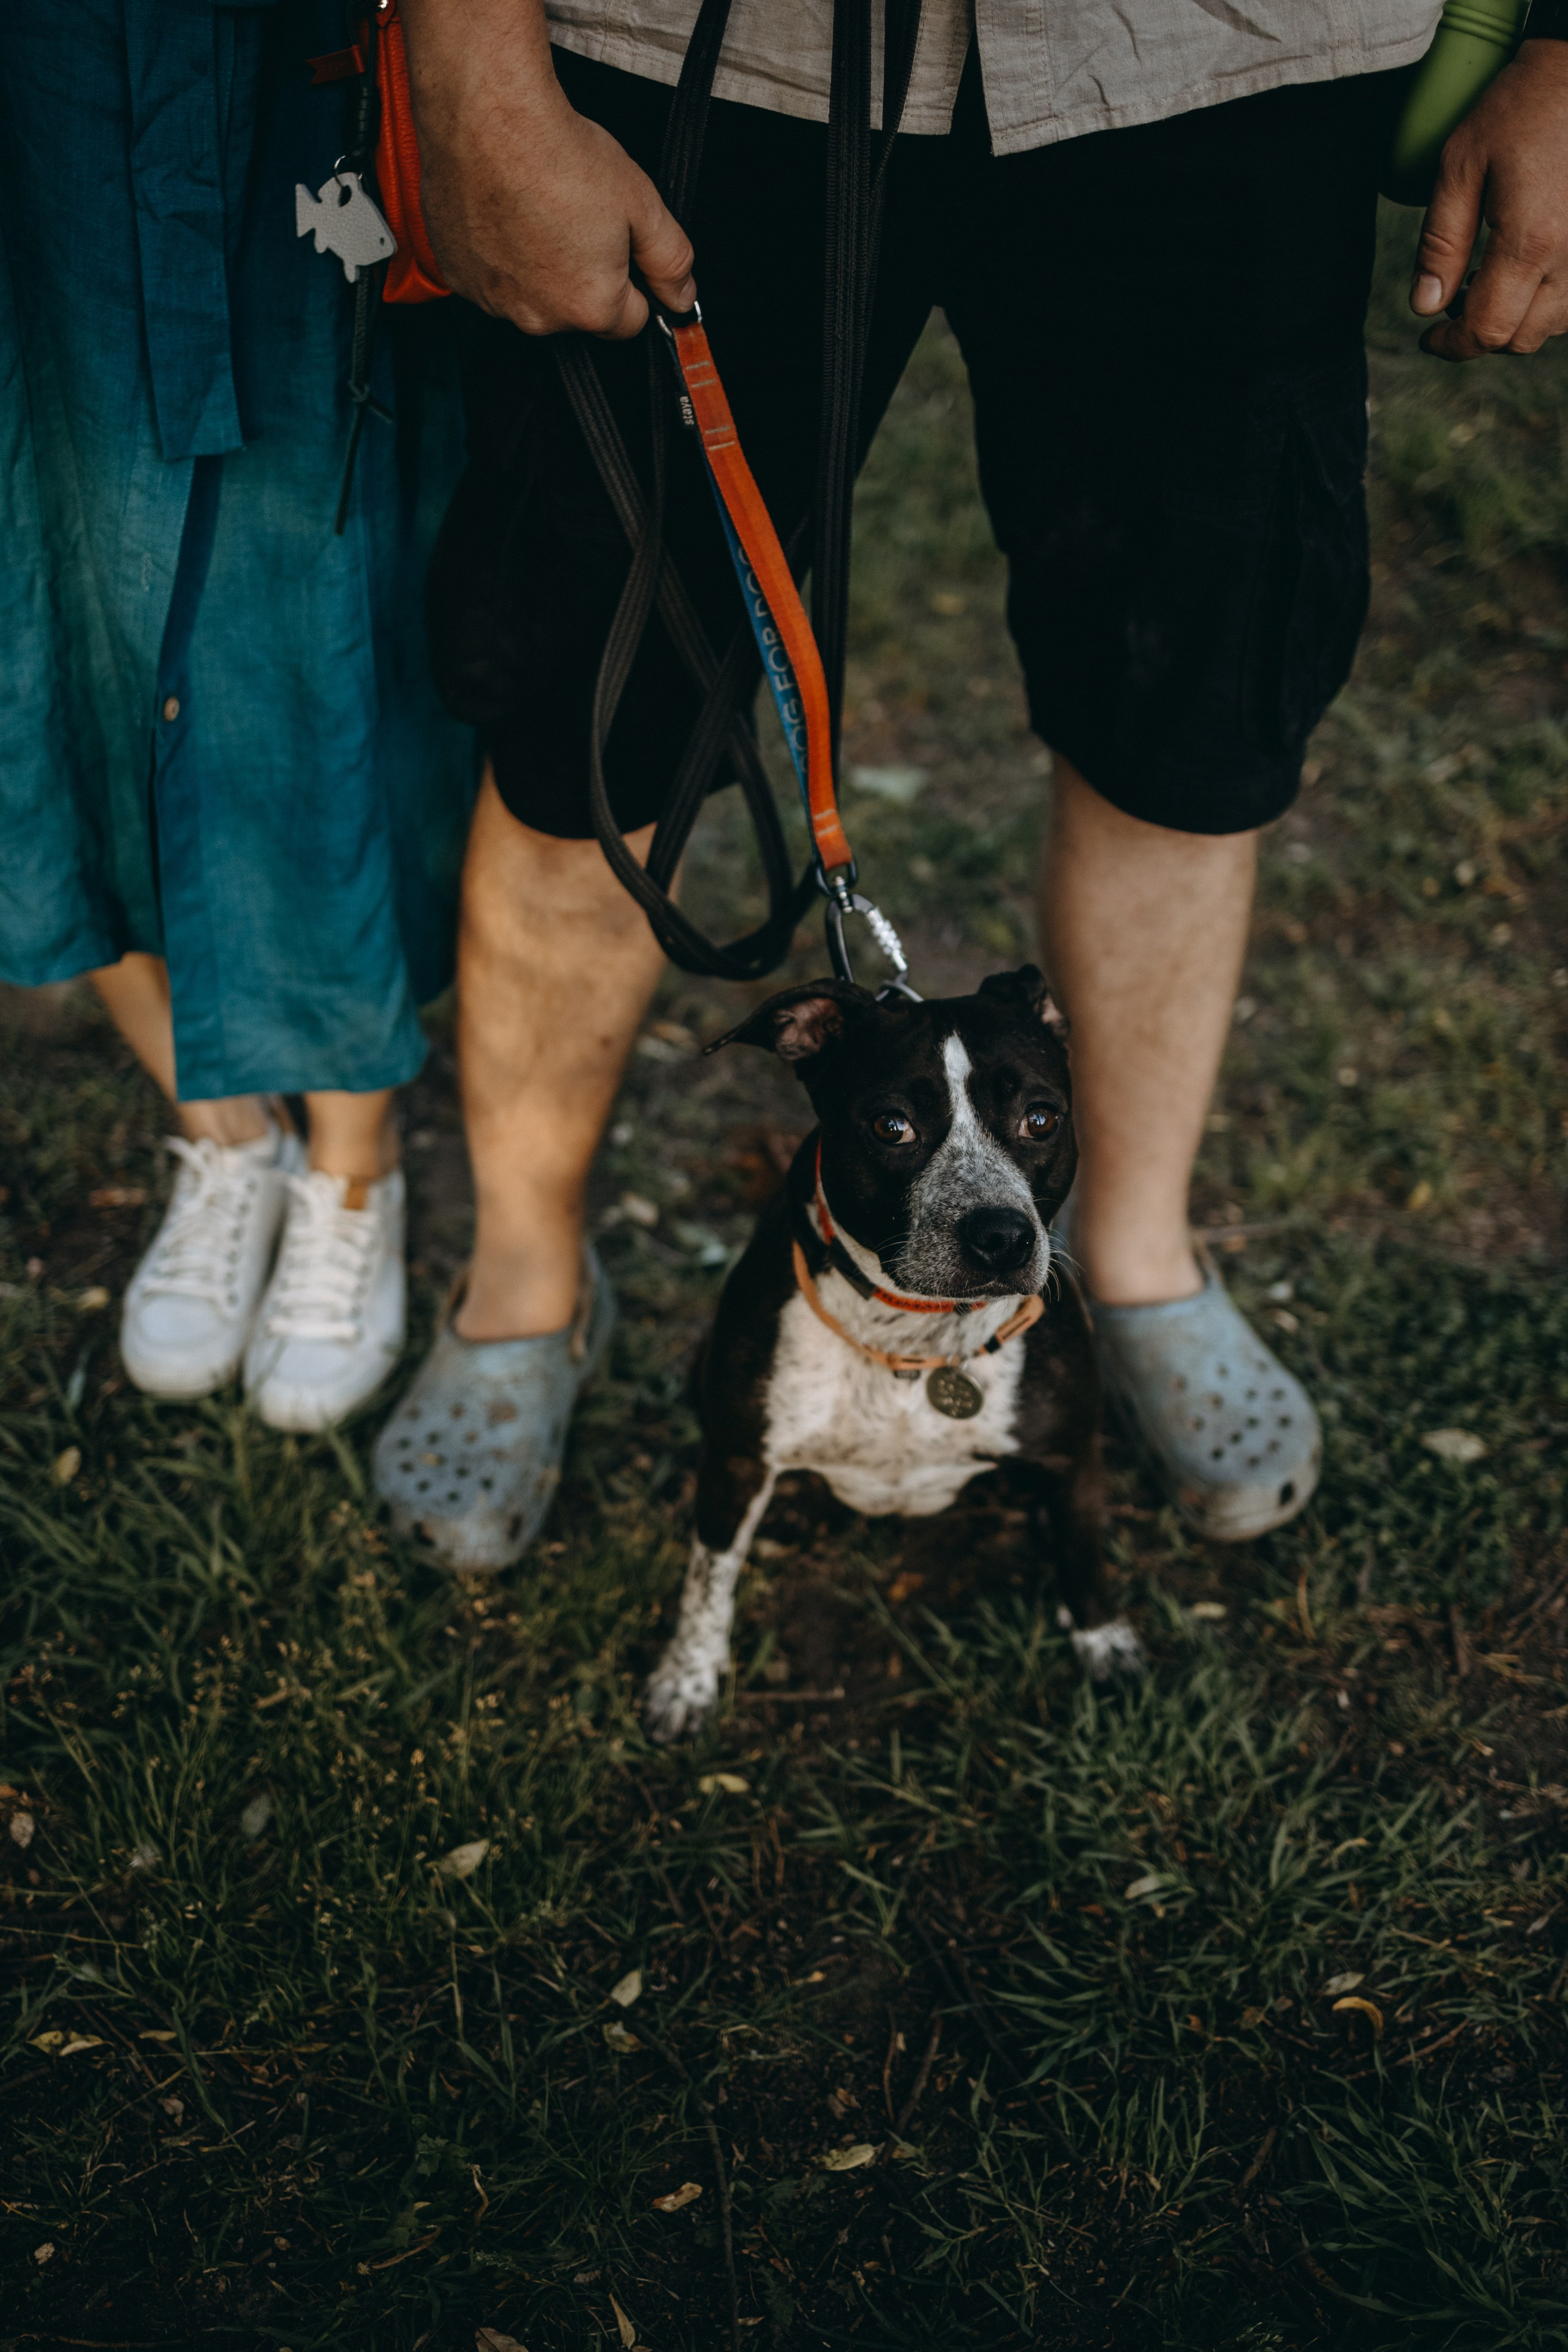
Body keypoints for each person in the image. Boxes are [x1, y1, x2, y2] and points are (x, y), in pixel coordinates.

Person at [364, 0, 1568, 1567]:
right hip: (702, 46)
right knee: (592, 711)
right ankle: (522, 1287)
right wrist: (474, 63)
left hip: (1223, 56)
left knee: (1187, 713)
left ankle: (1127, 1260)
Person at [0, 2, 475, 1430]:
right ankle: (224, 1135)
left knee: (297, 628)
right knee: (33, 619)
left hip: (285, 66)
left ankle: (349, 1166)